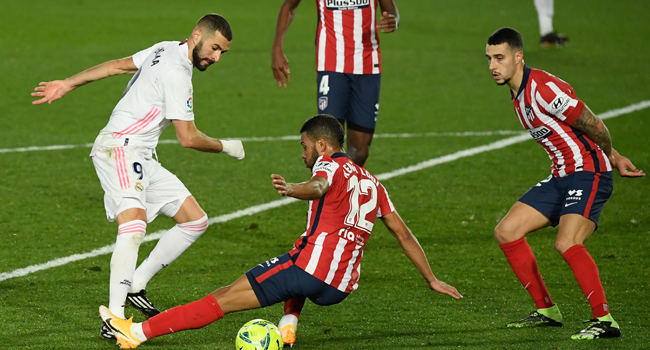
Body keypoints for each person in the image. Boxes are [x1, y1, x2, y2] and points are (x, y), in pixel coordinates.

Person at [99, 114, 462, 349]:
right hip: (341, 286)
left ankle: (134, 334)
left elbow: (319, 186)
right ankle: (288, 325)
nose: (303, 154)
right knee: (298, 257)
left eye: (304, 147)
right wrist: (431, 278)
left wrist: (293, 188)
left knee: (224, 296)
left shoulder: (327, 166)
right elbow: (403, 233)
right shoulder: (373, 183)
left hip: (311, 270)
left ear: (321, 145)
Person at [31, 14, 245, 339]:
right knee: (134, 225)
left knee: (194, 220)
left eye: (222, 53)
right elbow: (187, 137)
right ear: (197, 34)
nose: (216, 57)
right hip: (119, 147)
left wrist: (68, 83)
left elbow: (117, 65)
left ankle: (136, 284)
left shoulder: (165, 48)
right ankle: (114, 319)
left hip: (142, 155)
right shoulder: (177, 73)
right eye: (215, 48)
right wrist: (226, 146)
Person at [485, 27, 644, 340]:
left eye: (499, 58)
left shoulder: (543, 88)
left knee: (567, 242)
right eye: (489, 58)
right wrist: (616, 156)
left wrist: (612, 157)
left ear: (518, 57)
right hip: (561, 175)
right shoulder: (516, 92)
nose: (492, 65)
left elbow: (593, 123)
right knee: (507, 231)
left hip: (589, 173)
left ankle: (606, 320)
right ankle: (547, 310)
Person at [271, 0, 399, 168]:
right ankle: (328, 191)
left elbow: (390, 9)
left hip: (368, 65)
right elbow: (289, 6)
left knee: (360, 152)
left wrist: (393, 20)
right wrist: (277, 48)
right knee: (328, 144)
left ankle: (349, 190)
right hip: (331, 65)